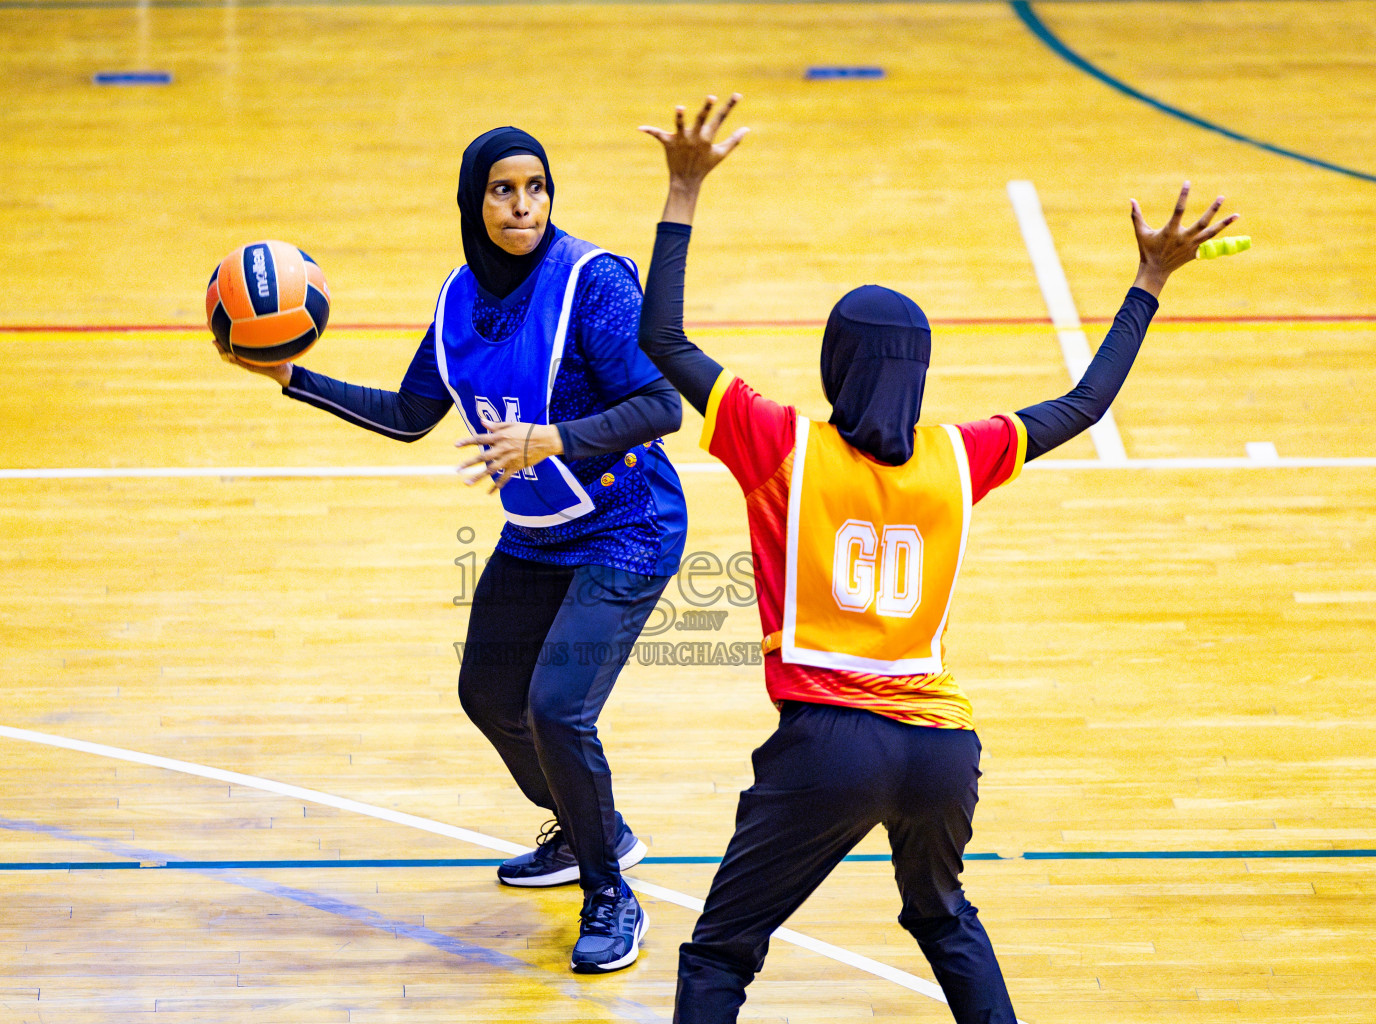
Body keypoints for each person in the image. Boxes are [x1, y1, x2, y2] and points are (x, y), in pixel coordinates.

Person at [635, 95, 1239, 1021]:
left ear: (837, 362)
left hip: (829, 742)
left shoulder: (782, 443)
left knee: (721, 953)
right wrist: (1149, 281)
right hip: (943, 753)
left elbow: (663, 339)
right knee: (943, 916)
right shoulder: (961, 456)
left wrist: (682, 189)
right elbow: (1085, 403)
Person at [215, 126, 688, 973]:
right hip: (542, 532)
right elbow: (407, 414)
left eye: (537, 187)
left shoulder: (593, 281)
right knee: (488, 696)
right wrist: (294, 380)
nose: (523, 205)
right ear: (475, 201)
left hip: (628, 526)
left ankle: (611, 893)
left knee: (556, 710)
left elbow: (660, 407)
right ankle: (591, 829)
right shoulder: (458, 298)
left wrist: (553, 438)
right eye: (505, 190)